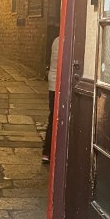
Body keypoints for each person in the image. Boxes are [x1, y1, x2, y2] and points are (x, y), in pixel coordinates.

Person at [42, 35, 59, 164]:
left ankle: (47, 152)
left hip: (53, 84)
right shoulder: (62, 41)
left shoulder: (56, 40)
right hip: (58, 84)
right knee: (55, 118)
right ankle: (49, 151)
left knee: (52, 117)